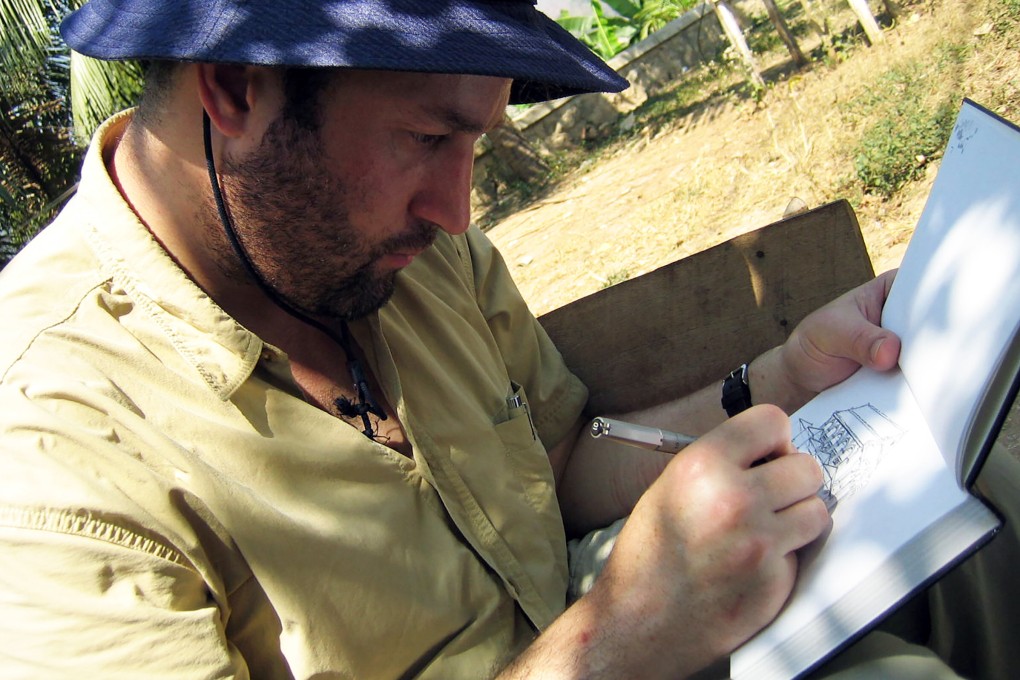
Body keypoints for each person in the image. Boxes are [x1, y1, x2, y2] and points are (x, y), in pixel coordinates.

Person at [0, 1, 1016, 678]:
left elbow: (560, 453)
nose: (456, 208)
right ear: (233, 85)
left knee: (998, 476)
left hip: (604, 610)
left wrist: (777, 380)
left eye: (476, 142)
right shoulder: (51, 448)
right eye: (428, 138)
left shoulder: (411, 254)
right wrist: (618, 636)